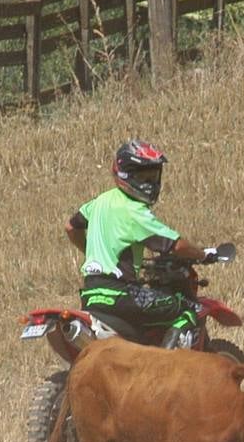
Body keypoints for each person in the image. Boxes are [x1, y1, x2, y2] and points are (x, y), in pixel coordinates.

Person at [65, 140, 218, 348]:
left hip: (92, 294)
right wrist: (204, 255)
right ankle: (166, 364)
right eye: (143, 176)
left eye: (153, 176)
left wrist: (92, 253)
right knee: (189, 309)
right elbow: (177, 246)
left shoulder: (100, 202)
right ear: (126, 175)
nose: (149, 182)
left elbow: (71, 227)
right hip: (122, 295)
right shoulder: (134, 211)